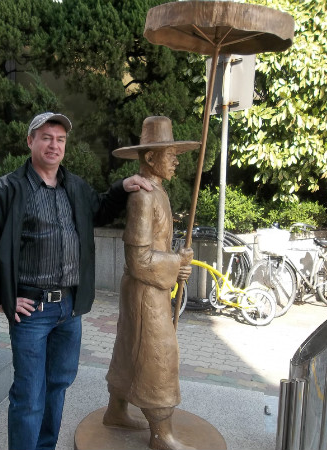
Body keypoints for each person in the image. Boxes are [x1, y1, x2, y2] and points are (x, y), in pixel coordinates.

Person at [0, 112, 152, 450]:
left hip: (69, 310)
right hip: (31, 311)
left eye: (60, 139)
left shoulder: (74, 187)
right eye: (46, 137)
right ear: (30, 141)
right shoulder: (4, 191)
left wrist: (122, 187)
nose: (54, 145)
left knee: (57, 386)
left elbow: (100, 210)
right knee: (29, 395)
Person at [103, 116, 198, 450]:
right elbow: (138, 259)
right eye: (170, 154)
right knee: (158, 353)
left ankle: (116, 410)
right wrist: (176, 263)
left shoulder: (158, 191)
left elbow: (154, 249)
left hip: (147, 288)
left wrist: (176, 262)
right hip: (145, 292)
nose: (175, 160)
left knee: (131, 347)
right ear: (151, 157)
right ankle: (161, 433)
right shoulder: (143, 197)